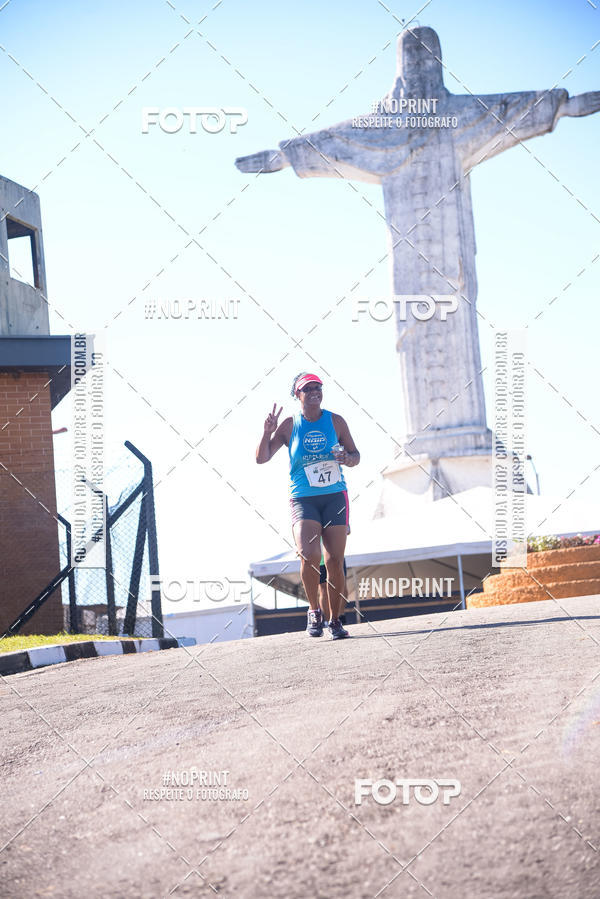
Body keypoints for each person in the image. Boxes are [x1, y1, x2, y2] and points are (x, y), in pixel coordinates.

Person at [256, 373, 360, 639]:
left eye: (318, 387)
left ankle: (335, 620)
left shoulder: (335, 421)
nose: (314, 391)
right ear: (297, 395)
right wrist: (267, 432)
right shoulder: (290, 425)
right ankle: (314, 610)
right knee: (309, 555)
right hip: (303, 498)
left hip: (335, 496)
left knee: (335, 561)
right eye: (307, 388)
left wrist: (346, 458)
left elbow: (355, 455)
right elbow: (262, 458)